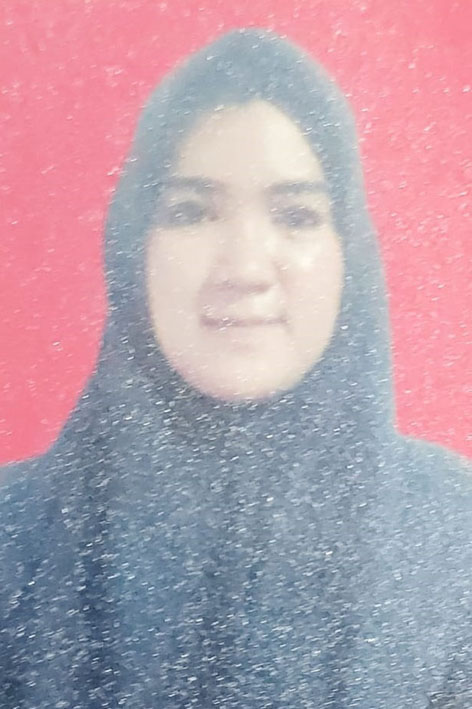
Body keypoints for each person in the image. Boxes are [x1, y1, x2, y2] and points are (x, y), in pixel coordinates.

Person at [1, 28, 471, 709]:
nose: (245, 268)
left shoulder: (452, 530)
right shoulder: (14, 535)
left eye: (297, 215)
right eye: (191, 212)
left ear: (351, 256)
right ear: (133, 246)